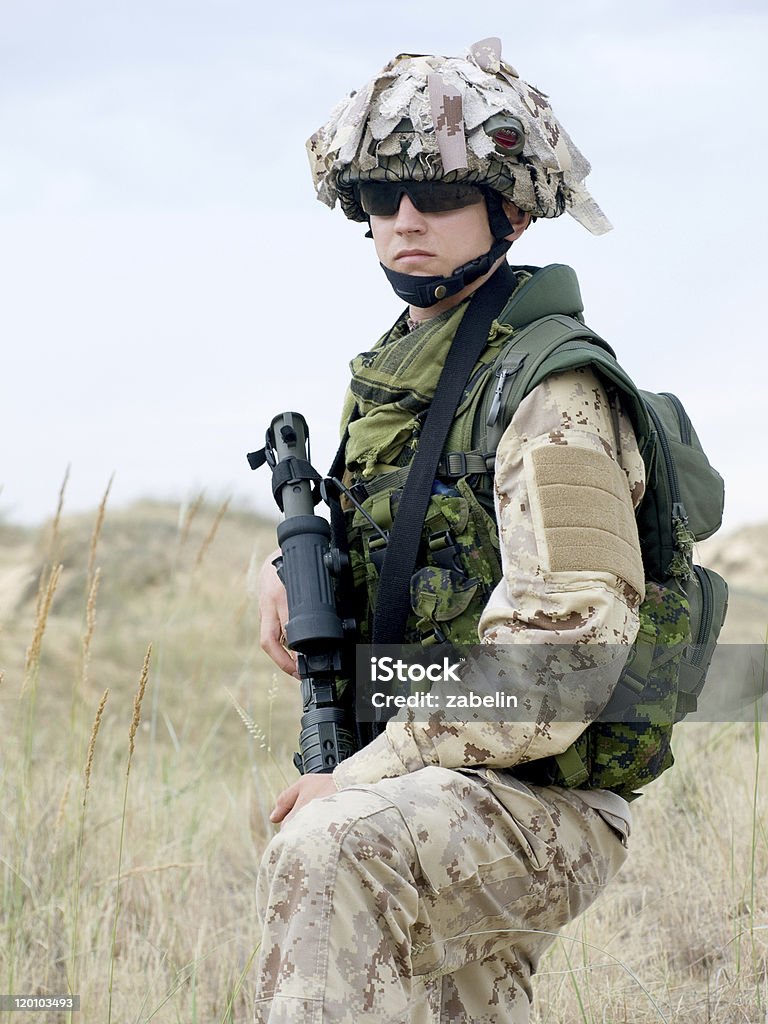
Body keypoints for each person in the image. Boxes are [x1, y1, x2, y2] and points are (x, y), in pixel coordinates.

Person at [254, 38, 646, 1023]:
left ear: (509, 205)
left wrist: (363, 771)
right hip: (451, 780)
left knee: (330, 847)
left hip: (546, 800)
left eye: (435, 192)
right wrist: (295, 568)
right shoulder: (412, 373)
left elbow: (561, 670)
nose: (404, 219)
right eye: (381, 195)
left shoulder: (551, 390)